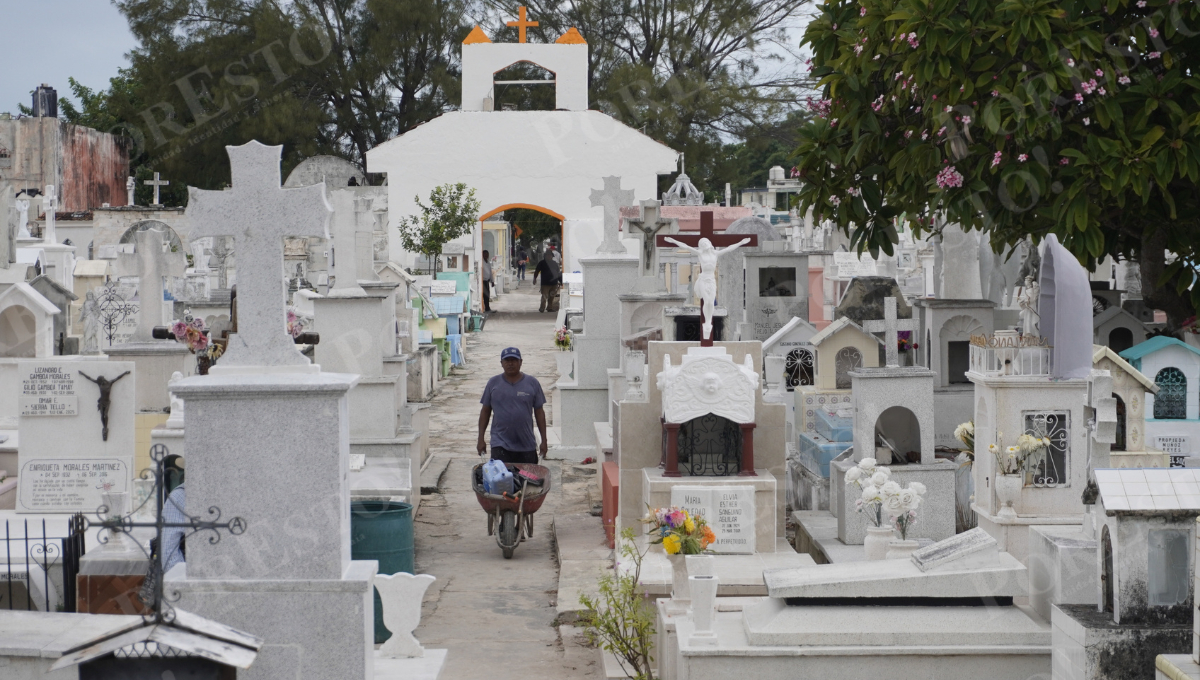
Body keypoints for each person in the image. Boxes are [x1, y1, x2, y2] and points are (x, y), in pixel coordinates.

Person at [477, 347, 548, 464]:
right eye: (507, 360)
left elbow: (539, 412)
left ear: (521, 362)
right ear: (501, 363)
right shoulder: (493, 383)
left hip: (526, 444)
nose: (510, 364)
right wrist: (480, 438)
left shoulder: (532, 383)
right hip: (500, 444)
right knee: (501, 480)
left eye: (514, 360)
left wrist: (544, 441)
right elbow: (485, 411)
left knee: (527, 481)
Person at [532, 249, 562, 313]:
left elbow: (558, 273)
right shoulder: (541, 263)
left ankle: (550, 308)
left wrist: (561, 281)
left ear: (552, 256)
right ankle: (542, 308)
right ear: (545, 256)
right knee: (544, 296)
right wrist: (534, 278)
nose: (549, 256)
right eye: (547, 255)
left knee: (551, 297)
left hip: (554, 283)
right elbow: (537, 271)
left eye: (550, 255)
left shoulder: (554, 263)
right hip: (545, 283)